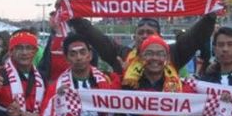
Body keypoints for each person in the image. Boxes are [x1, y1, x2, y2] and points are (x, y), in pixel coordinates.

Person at [39, 32, 118, 116]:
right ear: (67, 58)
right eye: (73, 54)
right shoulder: (57, 87)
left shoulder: (105, 81)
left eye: (82, 52)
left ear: (90, 55)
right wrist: (58, 101)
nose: (79, 57)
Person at [70, 14, 217, 75]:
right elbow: (98, 39)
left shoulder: (173, 54)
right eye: (141, 33)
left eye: (150, 32)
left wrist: (210, 17)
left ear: (159, 37)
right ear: (134, 37)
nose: (145, 36)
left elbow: (195, 37)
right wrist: (75, 18)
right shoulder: (123, 54)